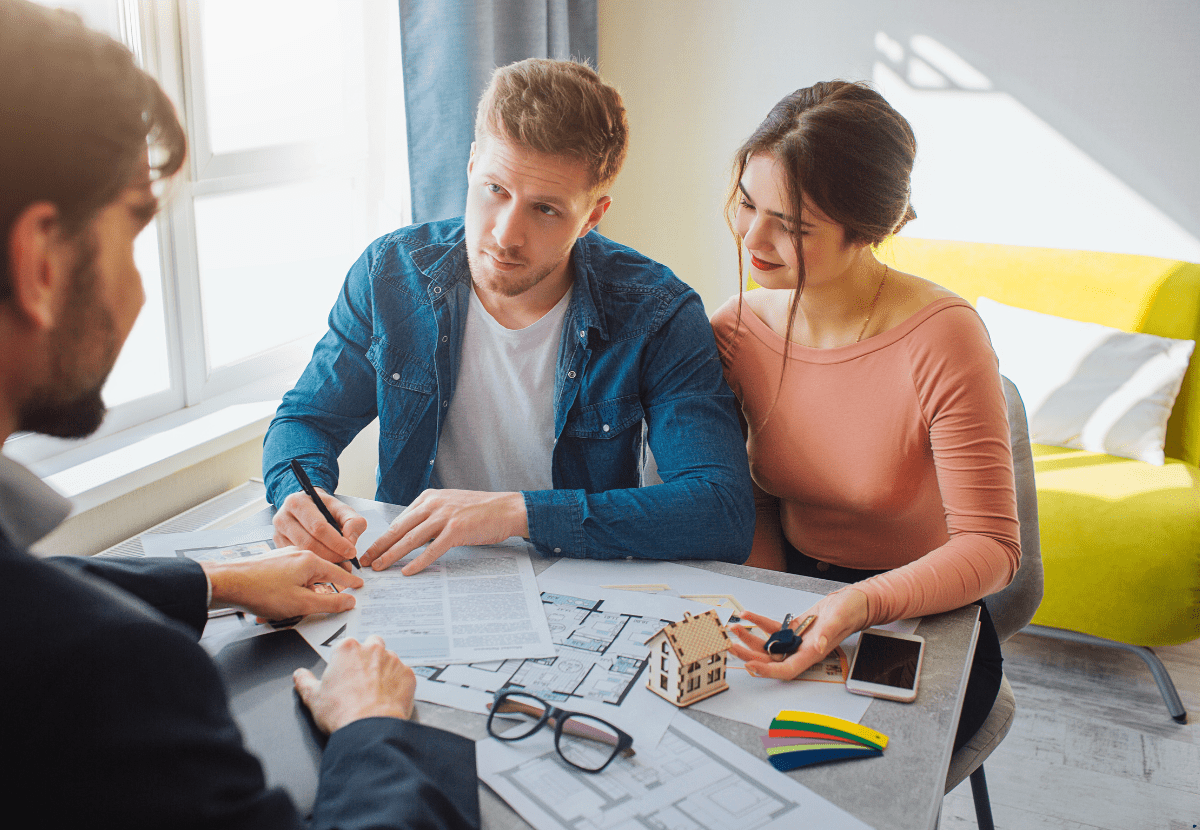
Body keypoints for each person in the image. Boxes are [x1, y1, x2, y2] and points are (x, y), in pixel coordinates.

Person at [0, 2, 479, 826]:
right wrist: (369, 730)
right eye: (135, 229)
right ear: (41, 262)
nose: (141, 290)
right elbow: (303, 421)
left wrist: (215, 580)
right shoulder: (116, 676)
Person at [264, 58, 754, 575]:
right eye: (495, 190)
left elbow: (721, 511)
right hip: (420, 575)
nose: (504, 234)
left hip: (580, 579)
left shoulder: (657, 310)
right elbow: (306, 420)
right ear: (473, 165)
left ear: (592, 215)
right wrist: (301, 494)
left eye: (545, 209)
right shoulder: (390, 274)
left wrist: (515, 513)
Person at [709, 81, 1021, 750]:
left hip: (924, 611)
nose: (753, 238)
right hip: (793, 588)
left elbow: (993, 550)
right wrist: (774, 594)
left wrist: (857, 604)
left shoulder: (943, 335)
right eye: (746, 203)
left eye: (791, 225)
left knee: (833, 775)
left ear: (868, 230)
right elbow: (751, 491)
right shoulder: (735, 332)